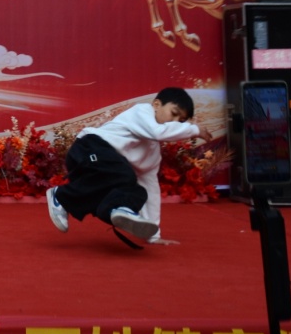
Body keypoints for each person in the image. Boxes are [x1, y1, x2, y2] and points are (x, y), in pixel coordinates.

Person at [46, 87, 211, 243]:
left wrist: (154, 236)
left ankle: (119, 209)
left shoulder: (152, 154)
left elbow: (151, 188)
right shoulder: (142, 112)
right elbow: (158, 132)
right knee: (124, 174)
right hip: (88, 149)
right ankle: (60, 195)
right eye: (173, 114)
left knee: (138, 191)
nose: (174, 123)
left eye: (180, 121)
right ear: (156, 105)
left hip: (102, 170)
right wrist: (194, 130)